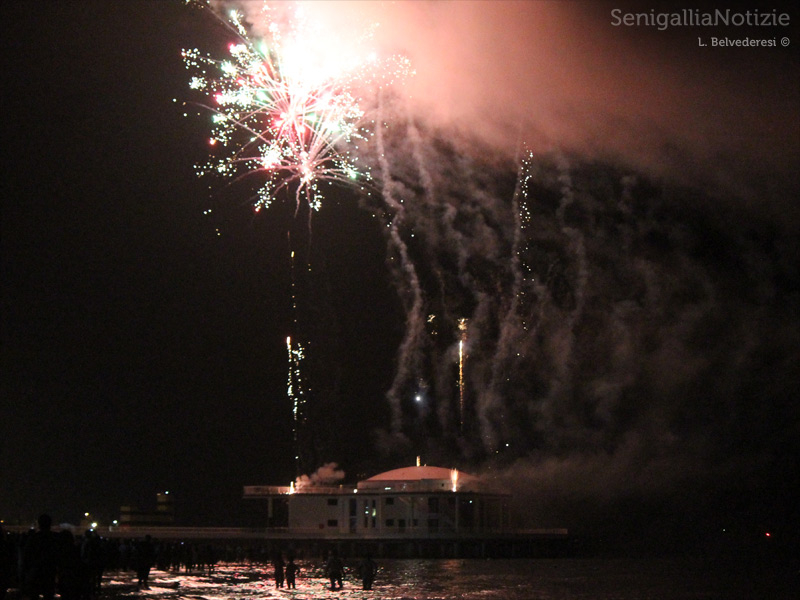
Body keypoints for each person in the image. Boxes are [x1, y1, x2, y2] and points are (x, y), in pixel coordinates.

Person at [22, 514, 59, 600]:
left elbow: (27, 556)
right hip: (49, 571)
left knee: (34, 594)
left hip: (36, 571)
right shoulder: (55, 538)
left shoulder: (33, 538)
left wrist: (26, 571)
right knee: (48, 595)